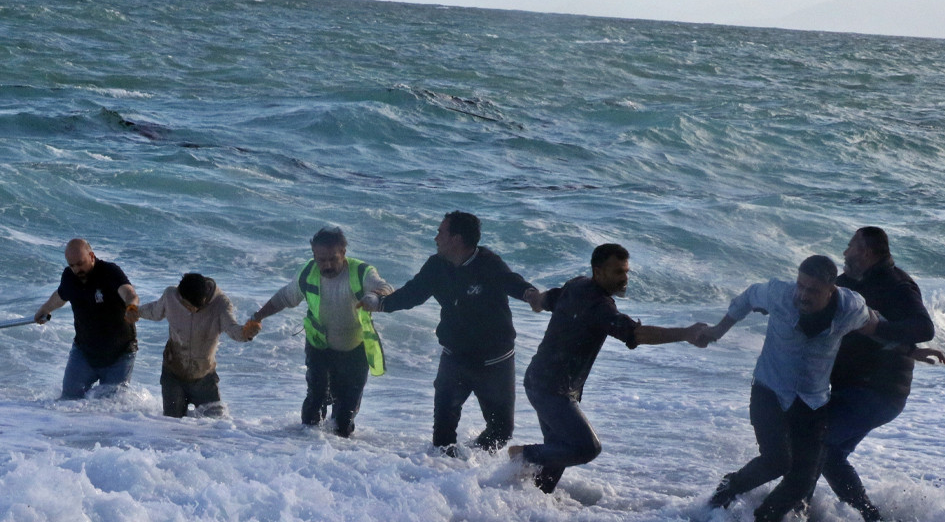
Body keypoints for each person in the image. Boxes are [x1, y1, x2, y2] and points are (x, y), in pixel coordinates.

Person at [697, 255, 883, 522]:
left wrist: (910, 349)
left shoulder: (849, 307)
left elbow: (875, 323)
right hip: (769, 390)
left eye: (813, 290)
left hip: (813, 400)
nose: (803, 295)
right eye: (801, 286)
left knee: (802, 481)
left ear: (831, 289)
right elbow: (747, 297)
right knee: (776, 461)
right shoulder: (779, 294)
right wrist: (717, 331)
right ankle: (728, 489)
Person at [509, 243, 707, 493]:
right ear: (598, 272)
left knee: (557, 454)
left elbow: (548, 299)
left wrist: (534, 299)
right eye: (618, 272)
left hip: (541, 380)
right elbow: (637, 334)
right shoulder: (600, 307)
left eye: (626, 271)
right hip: (552, 389)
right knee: (586, 448)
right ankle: (522, 454)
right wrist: (685, 333)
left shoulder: (577, 285)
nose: (624, 278)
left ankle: (525, 501)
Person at [373, 211, 542, 455]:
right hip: (455, 359)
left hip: (495, 362)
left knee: (501, 431)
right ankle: (443, 470)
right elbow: (412, 294)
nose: (436, 238)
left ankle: (471, 462)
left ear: (457, 239)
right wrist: (380, 304)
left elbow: (511, 281)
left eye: (440, 232)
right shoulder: (436, 265)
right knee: (442, 438)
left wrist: (530, 294)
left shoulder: (488, 263)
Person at [812, 226, 945, 522]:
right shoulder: (848, 282)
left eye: (850, 246)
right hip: (853, 387)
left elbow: (924, 328)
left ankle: (789, 511)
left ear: (866, 252)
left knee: (814, 443)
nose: (845, 252)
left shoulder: (897, 285)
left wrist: (879, 329)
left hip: (878, 390)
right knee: (828, 454)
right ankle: (871, 521)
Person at [250, 227, 393, 438]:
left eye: (333, 259)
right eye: (321, 259)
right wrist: (258, 317)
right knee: (314, 403)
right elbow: (284, 297)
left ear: (343, 252)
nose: (326, 265)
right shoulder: (308, 272)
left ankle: (339, 453)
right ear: (314, 255)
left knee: (344, 418)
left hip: (355, 349)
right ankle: (303, 447)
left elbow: (386, 287)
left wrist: (374, 297)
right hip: (319, 346)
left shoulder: (361, 272)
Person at [139, 272, 262, 418]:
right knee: (171, 424)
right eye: (189, 306)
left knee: (216, 426)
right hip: (173, 375)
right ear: (180, 295)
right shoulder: (170, 296)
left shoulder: (221, 304)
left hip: (204, 378)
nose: (194, 310)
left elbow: (233, 329)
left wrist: (246, 333)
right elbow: (154, 311)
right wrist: (135, 311)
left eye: (198, 307)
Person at [33, 239, 140, 399]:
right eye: (72, 265)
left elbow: (129, 293)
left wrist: (131, 307)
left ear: (91, 256)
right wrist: (45, 309)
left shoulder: (110, 272)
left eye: (80, 263)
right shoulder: (69, 277)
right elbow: (61, 296)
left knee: (108, 405)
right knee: (68, 400)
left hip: (119, 353)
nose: (77, 269)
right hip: (84, 351)